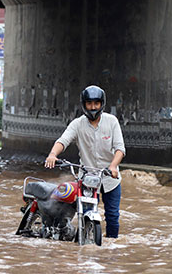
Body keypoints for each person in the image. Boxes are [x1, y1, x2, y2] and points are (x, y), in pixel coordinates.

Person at [45, 85, 126, 238]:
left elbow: (120, 149)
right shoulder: (77, 124)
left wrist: (113, 166)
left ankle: (112, 250)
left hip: (110, 177)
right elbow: (63, 140)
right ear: (84, 104)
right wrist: (52, 154)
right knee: (86, 214)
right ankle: (84, 245)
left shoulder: (112, 121)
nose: (93, 107)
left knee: (113, 217)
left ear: (102, 104)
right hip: (87, 178)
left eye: (96, 103)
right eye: (89, 103)